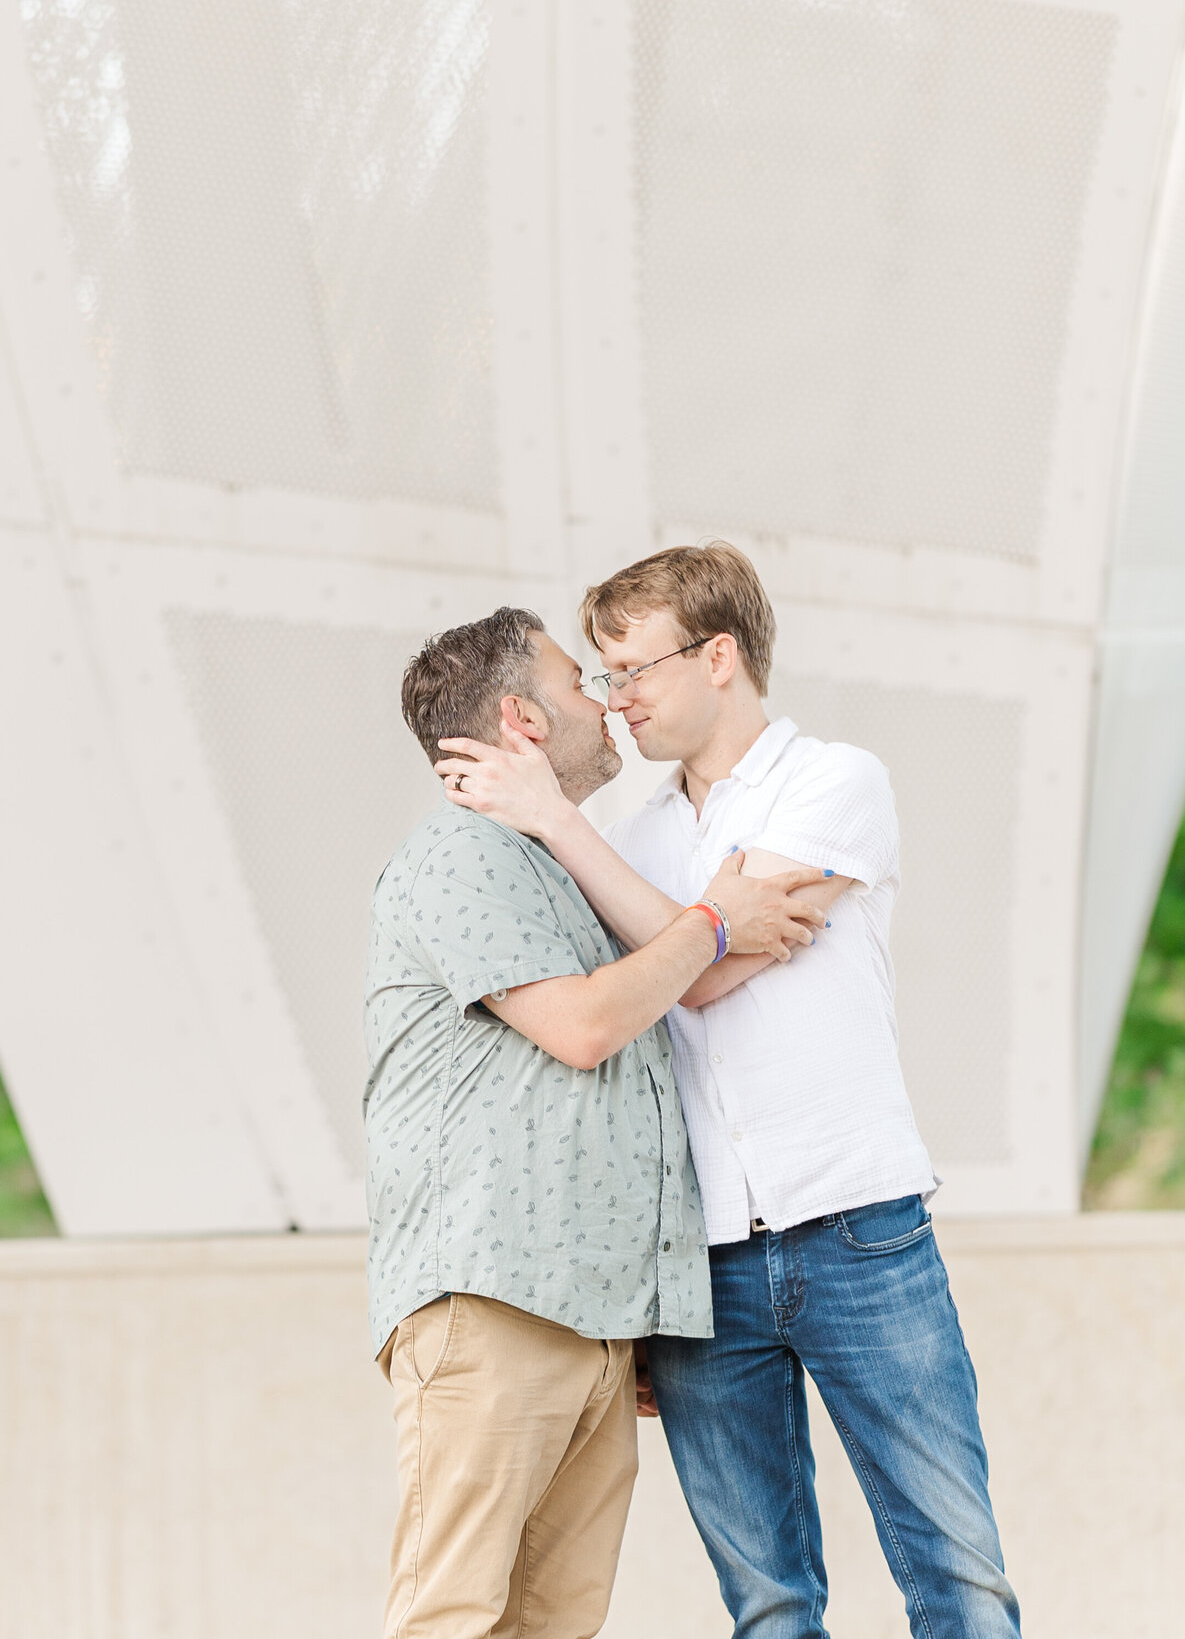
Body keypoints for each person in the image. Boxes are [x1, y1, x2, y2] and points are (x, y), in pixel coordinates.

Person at [436, 543, 1022, 1639]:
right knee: (766, 1604)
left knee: (959, 1576)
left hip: (861, 1233)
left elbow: (701, 977)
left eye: (633, 671)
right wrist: (689, 906)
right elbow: (663, 976)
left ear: (719, 657)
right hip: (704, 1269)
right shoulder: (634, 838)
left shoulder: (836, 782)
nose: (616, 704)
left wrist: (570, 833)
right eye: (601, 677)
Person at [364, 604, 827, 1639]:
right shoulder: (462, 857)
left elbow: (622, 1107)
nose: (608, 700)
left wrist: (646, 1318)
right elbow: (582, 1030)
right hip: (492, 1309)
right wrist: (713, 924)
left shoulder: (562, 871)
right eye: (582, 683)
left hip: (593, 1326)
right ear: (524, 719)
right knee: (454, 1615)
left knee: (553, 1624)